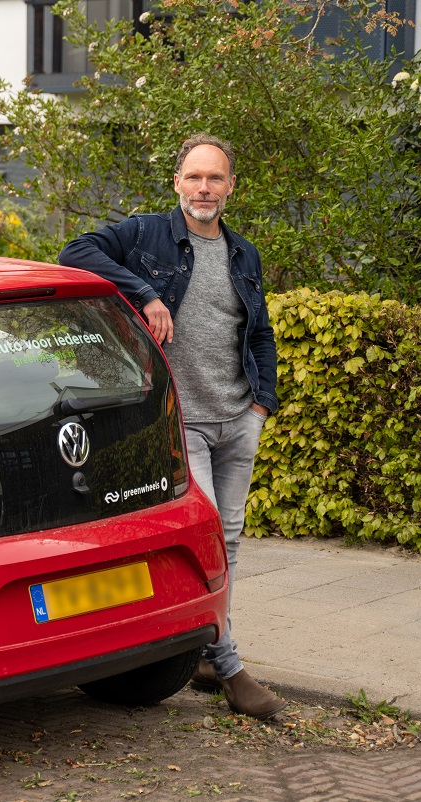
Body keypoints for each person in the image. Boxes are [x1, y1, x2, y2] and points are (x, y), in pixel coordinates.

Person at [58, 133, 285, 720]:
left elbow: (258, 331)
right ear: (176, 182)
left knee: (227, 541)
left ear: (231, 187)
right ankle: (231, 666)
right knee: (203, 538)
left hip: (238, 419)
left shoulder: (244, 254)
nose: (203, 188)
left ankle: (210, 651)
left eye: (215, 178)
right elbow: (74, 251)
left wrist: (262, 403)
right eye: (194, 177)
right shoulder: (143, 235)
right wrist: (146, 292)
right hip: (180, 421)